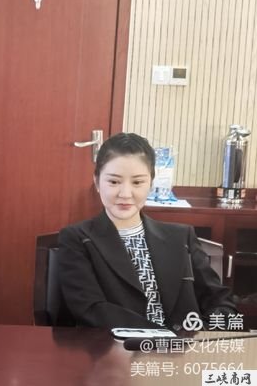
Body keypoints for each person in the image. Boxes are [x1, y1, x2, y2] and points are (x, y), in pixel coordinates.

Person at [56, 132, 237, 330]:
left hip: (185, 347)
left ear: (151, 183)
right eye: (114, 182)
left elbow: (221, 303)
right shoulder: (77, 239)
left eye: (137, 182)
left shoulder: (181, 237)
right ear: (97, 182)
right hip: (115, 347)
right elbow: (89, 309)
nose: (125, 194)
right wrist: (162, 337)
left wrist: (202, 336)